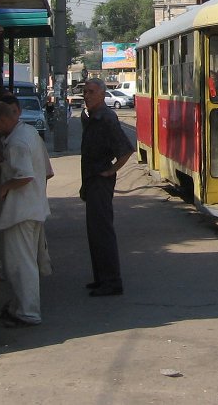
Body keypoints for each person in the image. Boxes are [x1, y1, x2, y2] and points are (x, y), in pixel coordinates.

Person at [0, 100, 51, 327]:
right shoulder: (29, 132)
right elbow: (43, 170)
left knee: (20, 264)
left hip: (21, 211)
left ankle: (28, 311)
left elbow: (25, 176)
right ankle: (20, 306)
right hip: (34, 207)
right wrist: (4, 165)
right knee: (24, 261)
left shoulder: (18, 142)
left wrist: (5, 187)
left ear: (2, 120)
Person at [80, 78, 134, 297]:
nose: (87, 95)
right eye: (84, 91)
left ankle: (111, 281)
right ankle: (101, 278)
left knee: (102, 231)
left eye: (91, 91)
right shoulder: (92, 117)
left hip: (100, 180)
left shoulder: (106, 118)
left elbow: (125, 149)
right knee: (94, 231)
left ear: (102, 94)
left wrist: (111, 171)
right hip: (91, 180)